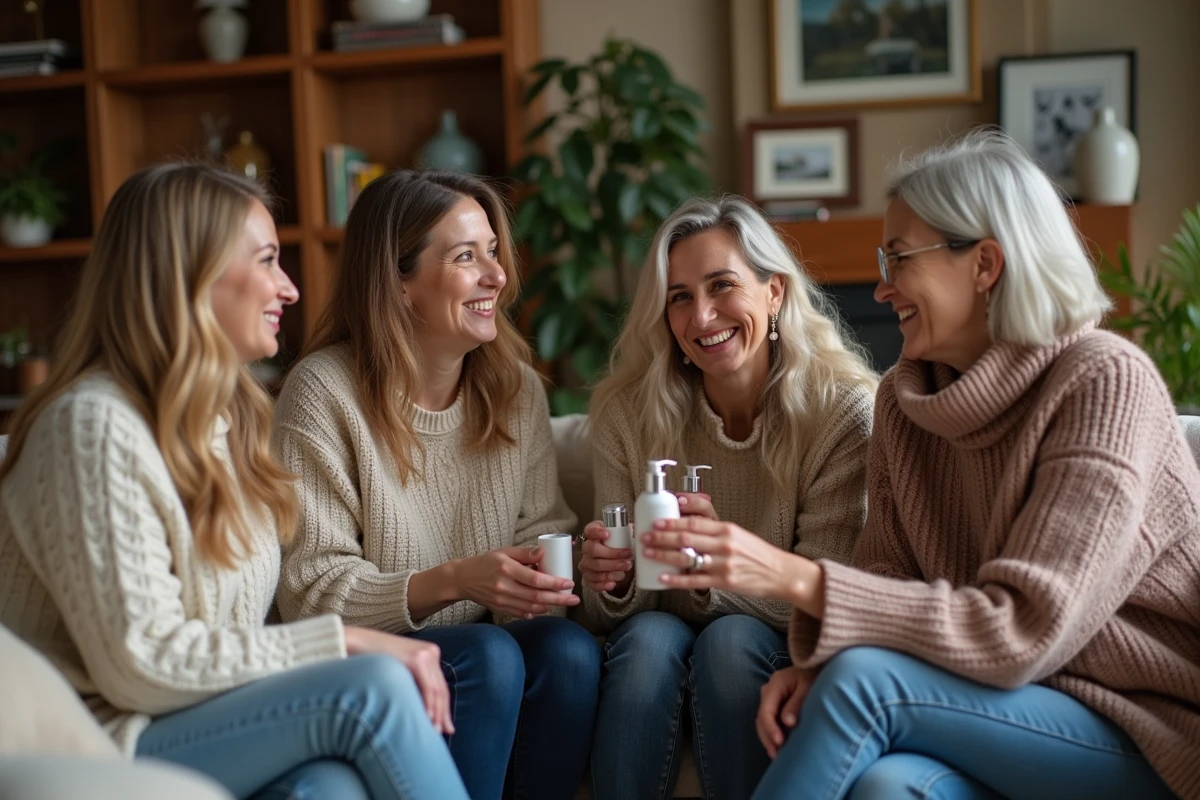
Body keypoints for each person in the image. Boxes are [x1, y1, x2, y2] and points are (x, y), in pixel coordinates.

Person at [646, 131, 1200, 800]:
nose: (883, 288)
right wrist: (822, 661)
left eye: (901, 258)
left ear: (985, 264)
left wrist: (795, 578)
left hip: (1139, 726)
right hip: (984, 708)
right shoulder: (908, 403)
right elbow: (888, 577)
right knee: (886, 786)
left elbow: (1020, 631)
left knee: (866, 688)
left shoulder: (1103, 383)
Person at [0, 163, 469, 800]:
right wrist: (346, 640)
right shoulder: (92, 426)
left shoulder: (231, 421)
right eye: (269, 260)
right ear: (188, 275)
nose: (290, 289)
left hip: (203, 721)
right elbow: (142, 664)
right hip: (102, 740)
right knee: (374, 688)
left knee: (328, 787)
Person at [272, 169, 600, 800]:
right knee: (489, 656)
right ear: (399, 285)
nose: (497, 276)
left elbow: (543, 533)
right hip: (369, 659)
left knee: (568, 652)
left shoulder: (515, 389)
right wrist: (455, 580)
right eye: (465, 256)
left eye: (494, 252)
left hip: (485, 647)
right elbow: (311, 594)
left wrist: (575, 573)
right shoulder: (322, 394)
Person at [578, 195, 878, 800]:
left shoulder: (841, 411)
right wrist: (610, 583)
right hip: (655, 630)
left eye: (722, 286)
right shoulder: (626, 415)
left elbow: (829, 591)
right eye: (680, 297)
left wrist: (718, 575)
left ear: (775, 293)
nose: (703, 316)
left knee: (731, 641)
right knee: (644, 645)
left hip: (764, 639)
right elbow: (608, 611)